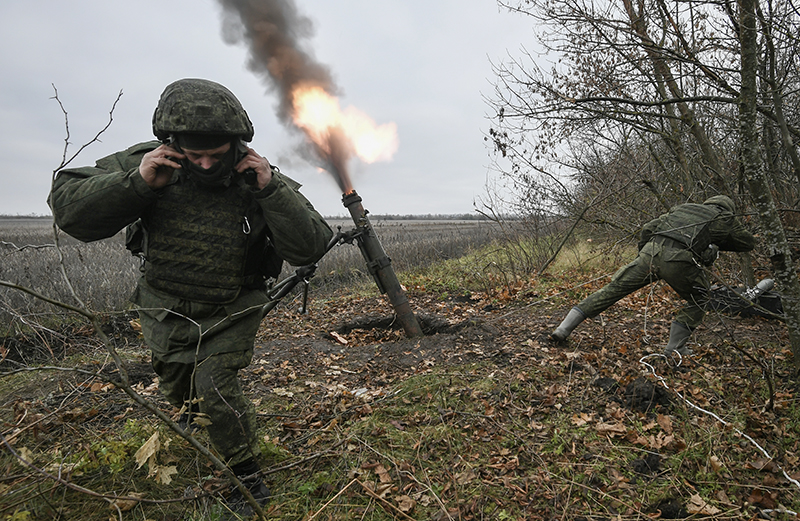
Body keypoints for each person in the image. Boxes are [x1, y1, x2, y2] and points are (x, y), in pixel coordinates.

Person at [48, 78, 333, 514]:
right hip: (164, 304)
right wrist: (138, 182)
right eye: (193, 154)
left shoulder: (256, 173)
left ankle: (246, 474)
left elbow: (311, 245)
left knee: (214, 385)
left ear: (236, 145)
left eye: (215, 156)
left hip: (234, 306)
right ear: (172, 141)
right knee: (180, 387)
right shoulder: (149, 160)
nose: (203, 164)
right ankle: (192, 421)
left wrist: (270, 190)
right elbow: (68, 206)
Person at [549, 195, 756, 357]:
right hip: (679, 260)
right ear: (727, 208)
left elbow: (648, 228)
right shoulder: (723, 217)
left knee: (612, 290)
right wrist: (716, 243)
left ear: (708, 203)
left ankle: (564, 328)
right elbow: (747, 243)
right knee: (701, 298)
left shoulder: (682, 209)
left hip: (650, 252)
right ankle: (674, 349)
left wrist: (643, 253)